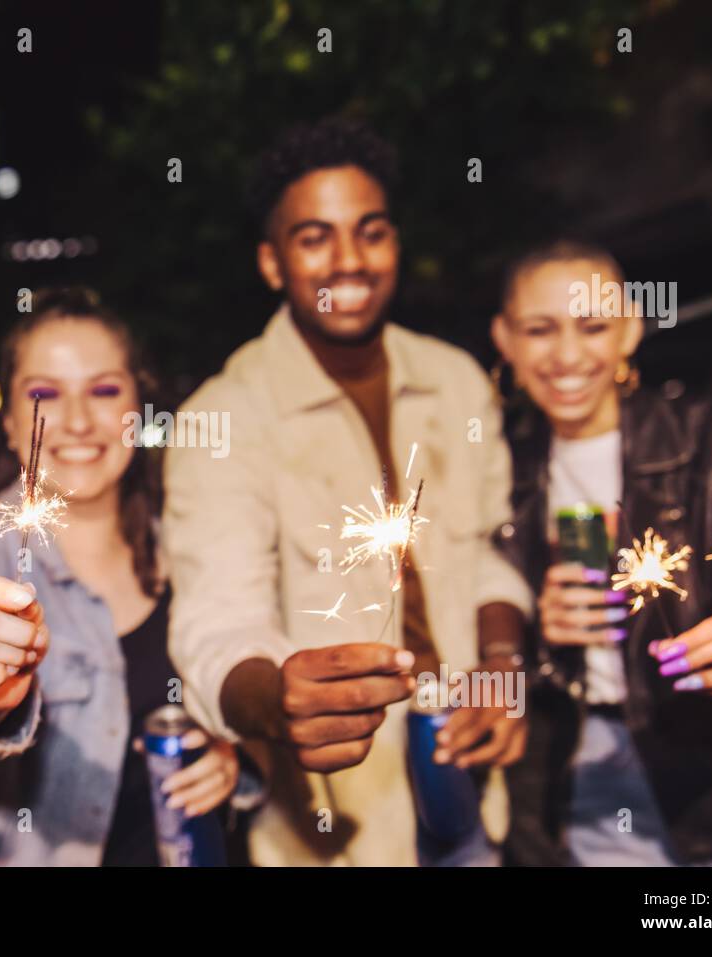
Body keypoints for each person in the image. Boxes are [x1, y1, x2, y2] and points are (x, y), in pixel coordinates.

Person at [163, 117, 533, 866]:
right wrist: (278, 702)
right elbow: (216, 620)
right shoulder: (222, 417)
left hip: (471, 794)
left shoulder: (456, 380)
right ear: (272, 263)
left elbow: (491, 551)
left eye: (370, 231)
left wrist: (501, 665)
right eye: (314, 238)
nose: (349, 261)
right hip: (332, 829)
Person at [0, 288, 256, 866]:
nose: (76, 421)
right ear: (8, 422)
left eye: (104, 390)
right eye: (44, 393)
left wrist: (234, 761)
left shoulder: (192, 540)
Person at [490, 239, 712, 865]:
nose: (567, 355)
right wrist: (537, 633)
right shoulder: (497, 467)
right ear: (504, 339)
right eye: (540, 330)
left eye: (592, 326)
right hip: (583, 772)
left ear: (630, 329)